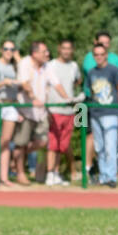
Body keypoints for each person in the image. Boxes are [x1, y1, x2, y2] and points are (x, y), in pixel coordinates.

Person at [87, 43, 118, 187]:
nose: (99, 57)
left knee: (110, 146)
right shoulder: (91, 72)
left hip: (110, 112)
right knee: (99, 147)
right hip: (96, 113)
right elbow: (91, 92)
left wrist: (117, 107)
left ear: (106, 55)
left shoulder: (113, 70)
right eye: (96, 55)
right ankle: (103, 176)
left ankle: (111, 178)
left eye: (101, 54)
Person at [44, 39, 81, 185]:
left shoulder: (74, 66)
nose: (66, 51)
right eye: (64, 48)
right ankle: (49, 173)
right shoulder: (51, 65)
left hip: (69, 111)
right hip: (54, 109)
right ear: (59, 49)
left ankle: (56, 173)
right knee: (52, 143)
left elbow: (77, 81)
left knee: (62, 145)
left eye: (69, 48)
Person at [13, 41, 50, 184]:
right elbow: (25, 84)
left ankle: (15, 156)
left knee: (43, 141)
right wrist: (34, 98)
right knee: (21, 143)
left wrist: (68, 98)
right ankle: (21, 173)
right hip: (26, 110)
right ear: (35, 53)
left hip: (42, 112)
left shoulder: (47, 66)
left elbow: (55, 83)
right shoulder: (24, 63)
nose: (47, 54)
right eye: (44, 51)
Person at [0, 40, 22, 185]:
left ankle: (4, 176)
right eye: (6, 48)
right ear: (1, 50)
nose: (9, 51)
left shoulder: (16, 66)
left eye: (12, 49)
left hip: (11, 105)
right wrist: (3, 83)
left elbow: (26, 77)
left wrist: (19, 59)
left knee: (6, 142)